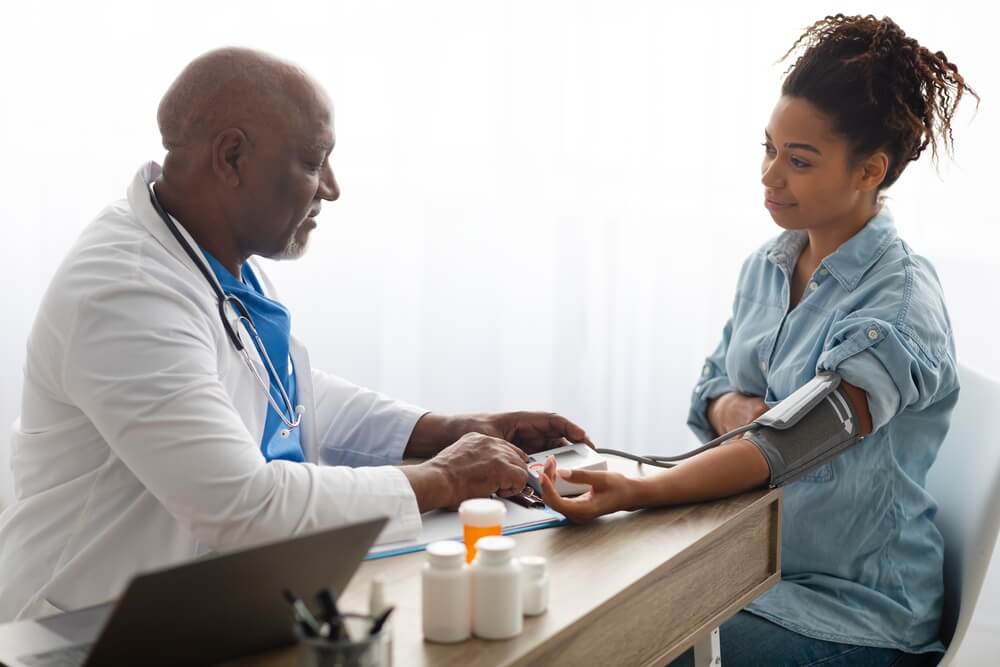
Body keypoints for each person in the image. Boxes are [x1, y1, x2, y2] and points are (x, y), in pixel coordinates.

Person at [0, 47, 590, 622]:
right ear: (231, 157)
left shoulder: (212, 250)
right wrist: (446, 477)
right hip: (79, 630)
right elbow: (244, 505)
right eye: (313, 161)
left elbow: (282, 396)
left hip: (200, 602)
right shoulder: (125, 294)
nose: (330, 187)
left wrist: (444, 431)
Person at [538, 15, 976, 666]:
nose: (771, 177)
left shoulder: (901, 301)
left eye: (799, 161)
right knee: (574, 609)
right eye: (768, 148)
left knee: (616, 648)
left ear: (869, 170)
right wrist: (743, 415)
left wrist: (645, 488)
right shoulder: (767, 266)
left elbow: (795, 440)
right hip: (746, 568)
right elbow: (710, 393)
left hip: (853, 615)